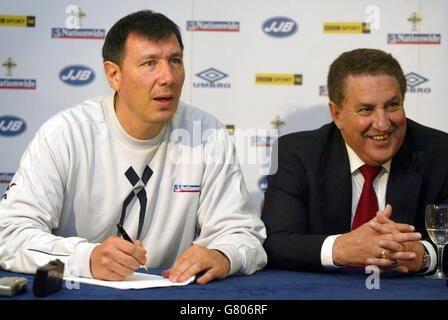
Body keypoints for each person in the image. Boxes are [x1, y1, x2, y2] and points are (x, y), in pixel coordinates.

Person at [0, 10, 267, 284]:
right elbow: (10, 233)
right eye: (149, 63)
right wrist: (85, 258)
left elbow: (243, 233)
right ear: (114, 75)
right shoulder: (65, 135)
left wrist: (224, 254)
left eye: (175, 61)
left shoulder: (206, 134)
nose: (168, 77)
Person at [262, 48, 448, 274]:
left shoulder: (440, 154)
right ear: (337, 114)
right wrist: (342, 248)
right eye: (366, 109)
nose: (382, 124)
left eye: (392, 105)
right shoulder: (297, 155)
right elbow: (275, 242)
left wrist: (425, 255)